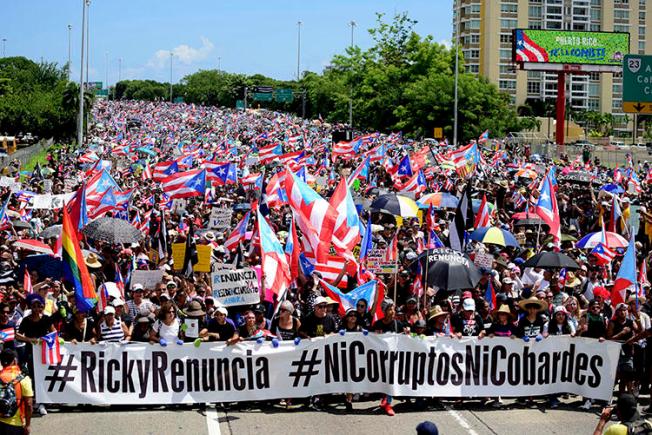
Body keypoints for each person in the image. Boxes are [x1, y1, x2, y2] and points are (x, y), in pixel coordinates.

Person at [0, 349, 32, 435]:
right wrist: (28, 425)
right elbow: (29, 404)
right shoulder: (24, 379)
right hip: (15, 425)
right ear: (15, 360)